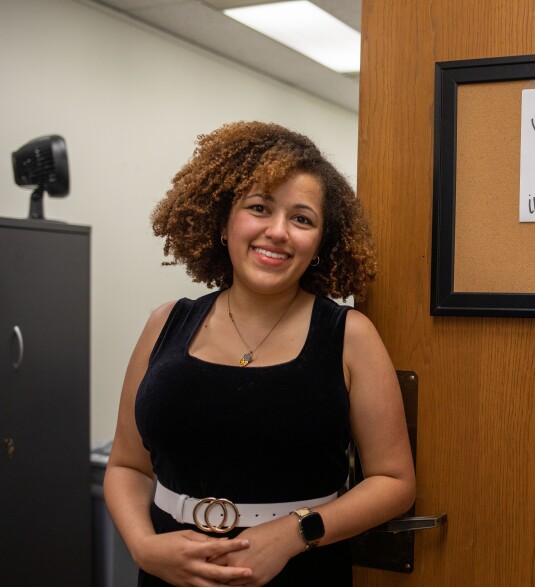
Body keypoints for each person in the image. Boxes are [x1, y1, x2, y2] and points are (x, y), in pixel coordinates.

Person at [104, 121, 416, 587]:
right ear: (223, 221)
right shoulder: (165, 324)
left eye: (302, 218)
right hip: (170, 575)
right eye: (259, 208)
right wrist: (144, 547)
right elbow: (127, 466)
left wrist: (294, 534)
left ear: (321, 244)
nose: (277, 232)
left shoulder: (349, 336)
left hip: (301, 572)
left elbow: (394, 483)